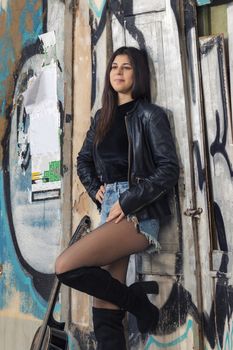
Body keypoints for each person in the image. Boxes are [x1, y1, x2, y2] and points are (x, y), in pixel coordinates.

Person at [55, 46, 179, 349]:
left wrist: (127, 200)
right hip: (110, 205)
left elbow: (168, 169)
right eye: (113, 67)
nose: (118, 73)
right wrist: (95, 185)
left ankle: (139, 304)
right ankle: (132, 303)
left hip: (138, 211)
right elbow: (83, 160)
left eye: (126, 67)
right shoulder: (103, 117)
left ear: (138, 74)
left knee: (66, 266)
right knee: (105, 304)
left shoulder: (150, 115)